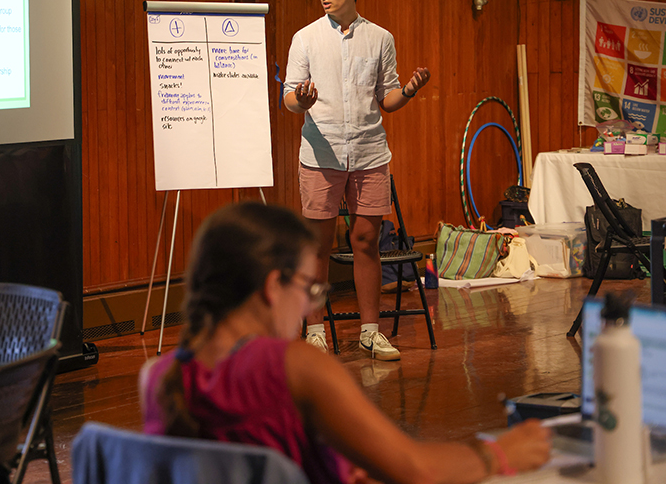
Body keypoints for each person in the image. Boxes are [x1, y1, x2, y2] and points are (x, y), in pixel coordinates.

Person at [140, 202, 551, 484]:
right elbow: (415, 470)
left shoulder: (161, 377)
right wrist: (501, 454)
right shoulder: (293, 366)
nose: (309, 304)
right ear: (272, 287)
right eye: (309, 287)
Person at [283, 0, 430, 360]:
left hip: (368, 152)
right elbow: (290, 98)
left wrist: (411, 90)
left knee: (367, 240)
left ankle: (370, 331)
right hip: (320, 151)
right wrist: (302, 98)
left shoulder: (380, 38)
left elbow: (387, 99)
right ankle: (315, 330)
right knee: (318, 245)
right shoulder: (306, 37)